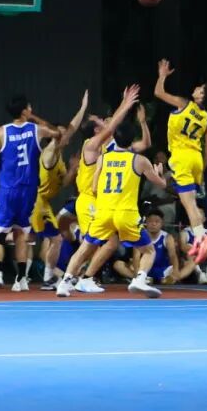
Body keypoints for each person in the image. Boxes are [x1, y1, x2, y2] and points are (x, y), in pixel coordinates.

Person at [57, 121, 167, 298]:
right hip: (126, 213)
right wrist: (160, 173)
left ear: (114, 137)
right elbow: (161, 184)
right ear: (132, 140)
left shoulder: (103, 158)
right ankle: (139, 279)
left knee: (85, 247)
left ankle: (64, 283)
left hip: (103, 212)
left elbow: (94, 188)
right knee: (149, 250)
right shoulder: (139, 160)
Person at [54, 86, 142, 294]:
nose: (104, 122)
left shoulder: (100, 146)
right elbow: (111, 127)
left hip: (97, 202)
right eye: (99, 122)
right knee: (106, 243)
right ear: (96, 130)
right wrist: (126, 104)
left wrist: (123, 106)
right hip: (89, 201)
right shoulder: (91, 145)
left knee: (96, 244)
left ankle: (73, 279)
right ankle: (81, 278)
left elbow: (113, 128)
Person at [0, 94, 63, 292]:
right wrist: (34, 118)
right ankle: (21, 278)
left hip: (8, 189)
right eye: (30, 107)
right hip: (29, 191)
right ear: (25, 110)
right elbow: (58, 133)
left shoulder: (2, 131)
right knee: (21, 233)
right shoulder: (37, 129)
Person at [155, 59, 207, 261]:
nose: (197, 87)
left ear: (202, 96)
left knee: (189, 204)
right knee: (190, 202)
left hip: (182, 157)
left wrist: (162, 76)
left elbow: (159, 93)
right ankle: (201, 238)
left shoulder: (184, 103)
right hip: (196, 159)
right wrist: (201, 170)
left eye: (201, 88)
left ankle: (203, 238)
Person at [32, 92, 88, 289]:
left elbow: (63, 183)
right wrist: (82, 109)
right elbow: (71, 129)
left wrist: (72, 168)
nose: (67, 136)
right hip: (36, 201)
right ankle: (47, 278)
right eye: (61, 133)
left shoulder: (60, 156)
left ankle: (48, 277)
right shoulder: (50, 152)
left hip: (43, 202)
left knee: (53, 239)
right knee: (51, 239)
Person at [142, 208, 199, 285]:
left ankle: (171, 278)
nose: (153, 224)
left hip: (164, 269)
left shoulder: (167, 237)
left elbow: (173, 256)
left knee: (192, 262)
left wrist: (175, 271)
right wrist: (136, 274)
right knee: (129, 265)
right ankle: (147, 278)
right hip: (145, 269)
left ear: (162, 223)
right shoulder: (140, 237)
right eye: (150, 221)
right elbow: (136, 257)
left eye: (157, 221)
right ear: (146, 222)